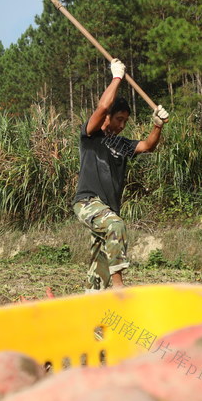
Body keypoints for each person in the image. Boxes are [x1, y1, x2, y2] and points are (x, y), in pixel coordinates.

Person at [72, 58, 170, 290]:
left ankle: (93, 303)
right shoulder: (91, 136)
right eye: (119, 119)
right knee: (116, 225)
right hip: (88, 202)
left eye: (125, 121)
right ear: (108, 118)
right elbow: (103, 107)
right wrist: (116, 77)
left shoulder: (121, 144)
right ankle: (119, 285)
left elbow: (147, 146)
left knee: (100, 264)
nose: (122, 125)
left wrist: (157, 126)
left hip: (108, 208)